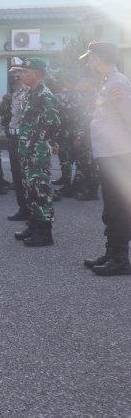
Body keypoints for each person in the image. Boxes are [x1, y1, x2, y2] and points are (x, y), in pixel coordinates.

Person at [81, 42, 131, 275]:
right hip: (109, 153)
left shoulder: (117, 83)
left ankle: (121, 258)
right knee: (111, 208)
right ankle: (112, 252)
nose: (89, 63)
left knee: (119, 207)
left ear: (99, 60)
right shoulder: (107, 83)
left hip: (118, 154)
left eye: (91, 59)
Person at [12, 58, 60, 247]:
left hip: (37, 151)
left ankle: (44, 232)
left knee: (40, 189)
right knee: (30, 188)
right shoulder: (31, 93)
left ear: (38, 73)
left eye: (26, 71)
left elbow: (54, 123)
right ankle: (34, 225)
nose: (21, 74)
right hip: (27, 150)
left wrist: (39, 140)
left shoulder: (44, 95)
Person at [3, 58, 31, 220]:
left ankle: (31, 210)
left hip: (23, 137)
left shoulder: (29, 92)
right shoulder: (16, 92)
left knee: (26, 176)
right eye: (13, 72)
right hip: (13, 136)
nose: (14, 75)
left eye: (17, 72)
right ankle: (23, 208)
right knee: (17, 175)